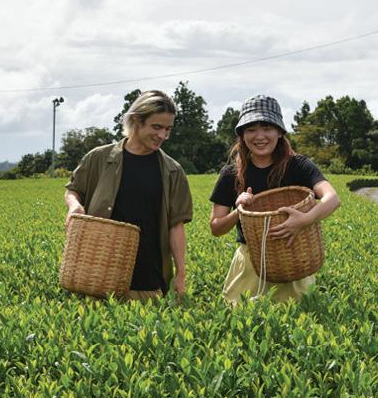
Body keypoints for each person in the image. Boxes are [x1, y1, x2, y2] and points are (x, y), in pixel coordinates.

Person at [209, 95, 340, 304]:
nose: (259, 136)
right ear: (242, 135)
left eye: (267, 127)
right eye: (251, 129)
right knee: (242, 319)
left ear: (279, 131)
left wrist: (305, 220)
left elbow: (332, 198)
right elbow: (216, 228)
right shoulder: (231, 174)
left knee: (294, 318)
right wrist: (238, 210)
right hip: (251, 264)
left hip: (292, 258)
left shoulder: (298, 166)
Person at [65, 90, 193, 302]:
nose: (162, 135)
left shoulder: (173, 171)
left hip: (148, 281)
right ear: (136, 121)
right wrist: (74, 206)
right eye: (156, 127)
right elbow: (74, 190)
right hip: (97, 277)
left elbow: (176, 225)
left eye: (167, 129)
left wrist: (180, 273)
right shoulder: (99, 158)